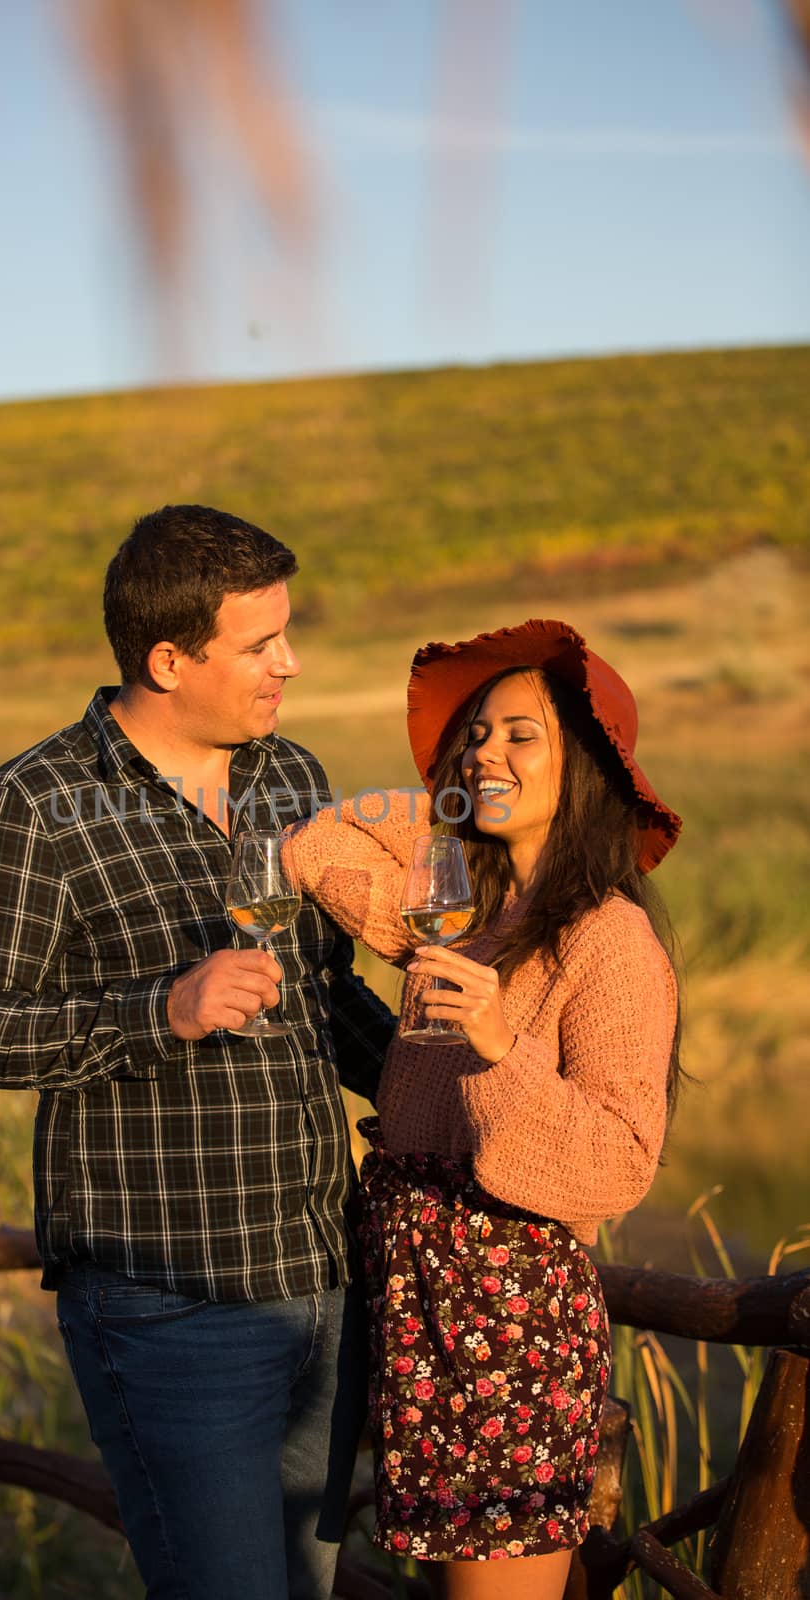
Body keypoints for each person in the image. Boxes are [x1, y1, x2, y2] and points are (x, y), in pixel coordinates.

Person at [0, 505, 395, 1600]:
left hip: (318, 1281)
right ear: (166, 659)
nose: (292, 662)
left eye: (287, 633)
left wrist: (448, 1077)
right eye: (260, 644)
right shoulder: (28, 808)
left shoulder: (289, 777)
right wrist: (158, 1012)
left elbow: (321, 998)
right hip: (168, 1300)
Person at [284, 618, 682, 1600]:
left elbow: (621, 1158)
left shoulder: (610, 940)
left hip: (506, 1320)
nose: (482, 751)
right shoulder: (456, 910)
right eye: (475, 735)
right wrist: (450, 808)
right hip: (418, 1302)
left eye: (519, 736)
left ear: (583, 766)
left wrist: (502, 1047)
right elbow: (315, 842)